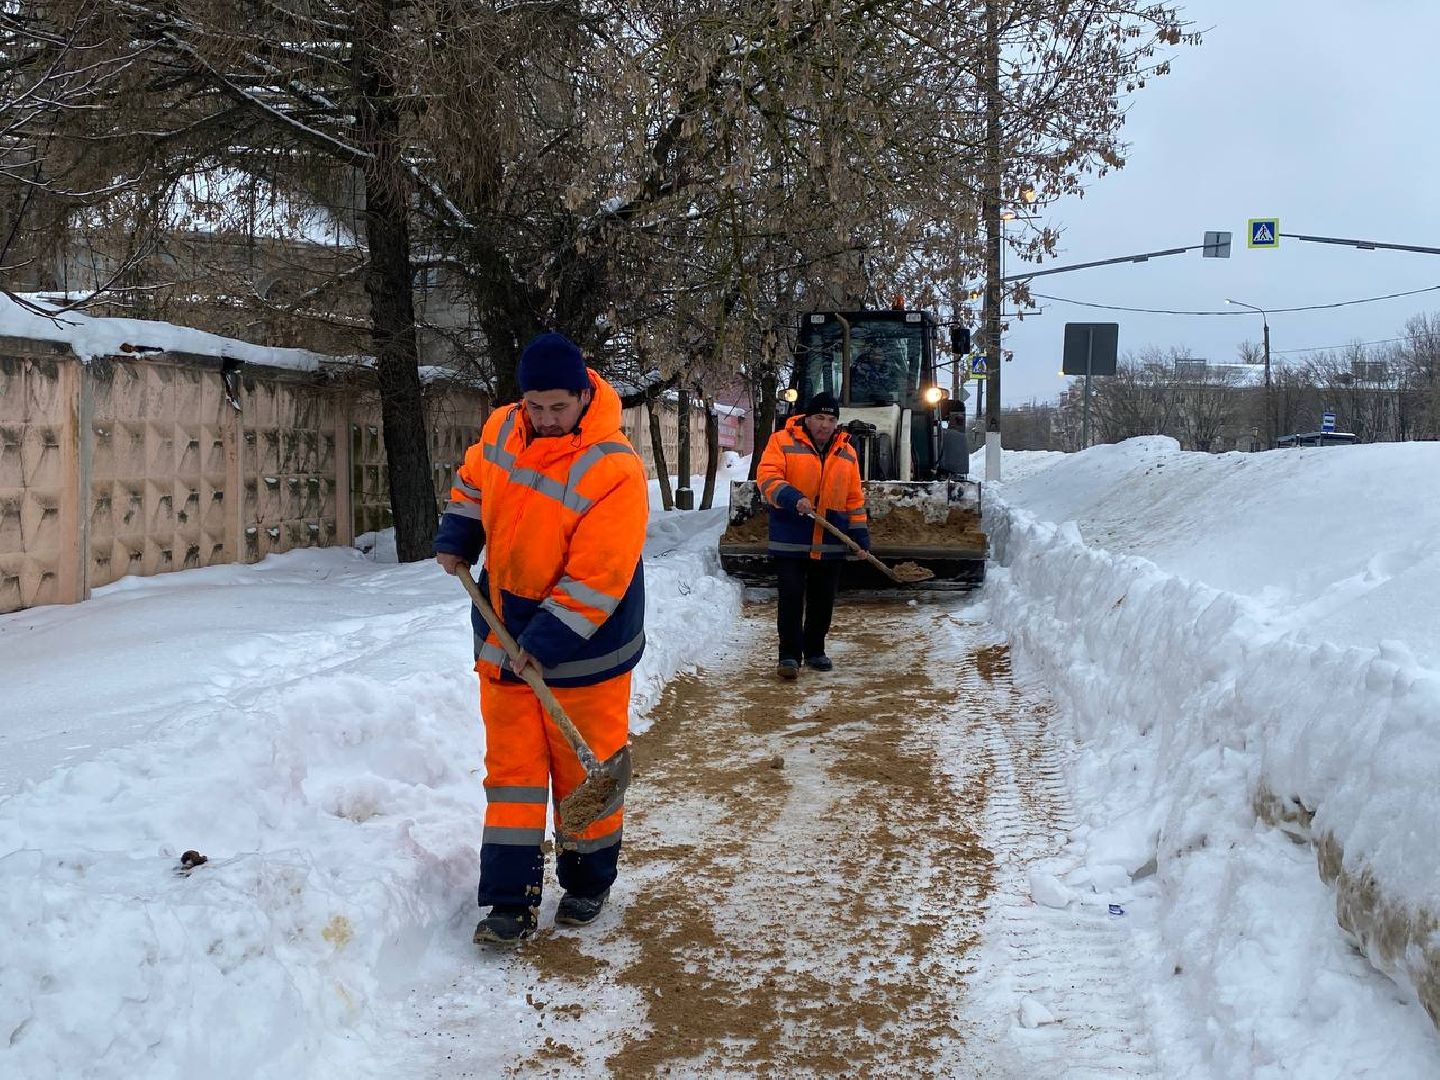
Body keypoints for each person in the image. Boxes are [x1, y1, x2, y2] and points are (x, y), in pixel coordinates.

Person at [434, 331, 648, 945]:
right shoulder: (503, 428)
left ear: (585, 395)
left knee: (586, 775)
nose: (547, 419)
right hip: (503, 630)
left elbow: (600, 574)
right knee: (514, 777)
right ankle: (509, 902)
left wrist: (548, 639)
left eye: (560, 406)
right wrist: (458, 536)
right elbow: (474, 482)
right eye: (537, 406)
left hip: (585, 648)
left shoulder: (613, 468)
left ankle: (586, 885)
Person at [755, 391, 869, 680]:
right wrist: (792, 497)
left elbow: (854, 497)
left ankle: (815, 650)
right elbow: (767, 477)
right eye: (819, 417)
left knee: (822, 599)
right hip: (791, 534)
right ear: (807, 417)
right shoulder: (781, 441)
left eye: (831, 419)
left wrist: (859, 535)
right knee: (792, 596)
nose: (825, 424)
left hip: (831, 538)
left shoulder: (847, 451)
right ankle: (789, 655)